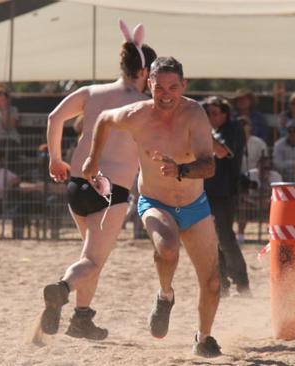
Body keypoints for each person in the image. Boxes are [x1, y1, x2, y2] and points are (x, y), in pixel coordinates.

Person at [83, 57, 222, 357]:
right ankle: (165, 295)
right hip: (155, 202)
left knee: (211, 281)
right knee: (168, 248)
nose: (166, 94)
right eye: (160, 88)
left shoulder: (195, 114)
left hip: (195, 204)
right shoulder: (136, 114)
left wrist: (181, 170)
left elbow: (209, 165)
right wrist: (92, 160)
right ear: (149, 85)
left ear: (184, 86)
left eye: (174, 87)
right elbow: (104, 119)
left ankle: (204, 337)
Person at [39, 21, 157, 341]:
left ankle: (81, 318)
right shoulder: (145, 106)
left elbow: (54, 118)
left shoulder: (92, 92)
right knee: (92, 260)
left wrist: (55, 158)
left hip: (78, 183)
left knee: (90, 257)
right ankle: (61, 290)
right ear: (145, 73)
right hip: (111, 188)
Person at [201, 96, 250, 297]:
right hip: (208, 191)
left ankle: (242, 284)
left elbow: (221, 152)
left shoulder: (233, 129)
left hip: (223, 192)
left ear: (225, 114)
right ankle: (223, 285)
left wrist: (199, 129)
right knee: (211, 241)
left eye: (214, 113)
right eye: (208, 114)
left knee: (226, 240)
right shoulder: (215, 130)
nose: (210, 117)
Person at [237, 154, 282, 241]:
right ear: (257, 166)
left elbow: (278, 194)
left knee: (275, 207)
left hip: (268, 202)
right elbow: (243, 191)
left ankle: (272, 235)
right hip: (251, 202)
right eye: (262, 167)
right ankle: (240, 236)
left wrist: (266, 183)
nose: (264, 170)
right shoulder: (250, 174)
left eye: (267, 168)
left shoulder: (276, 176)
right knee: (243, 208)